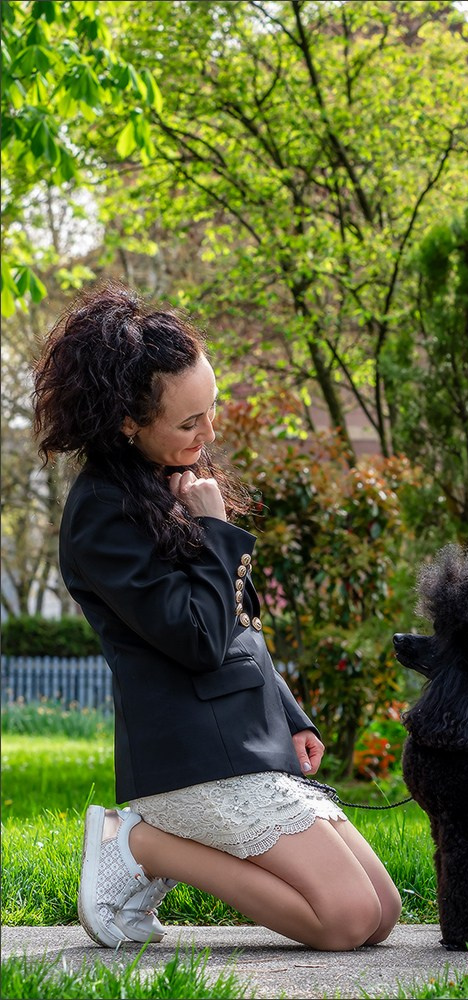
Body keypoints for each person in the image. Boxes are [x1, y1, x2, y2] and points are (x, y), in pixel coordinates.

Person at [32, 280, 402, 951]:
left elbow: (237, 627)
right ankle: (139, 844)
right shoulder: (102, 514)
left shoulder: (169, 480)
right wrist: (216, 533)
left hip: (245, 742)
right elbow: (199, 640)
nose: (209, 434)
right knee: (345, 921)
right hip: (191, 757)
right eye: (188, 423)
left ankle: (147, 845)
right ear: (127, 422)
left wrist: (290, 716)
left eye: (211, 411)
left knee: (381, 911)